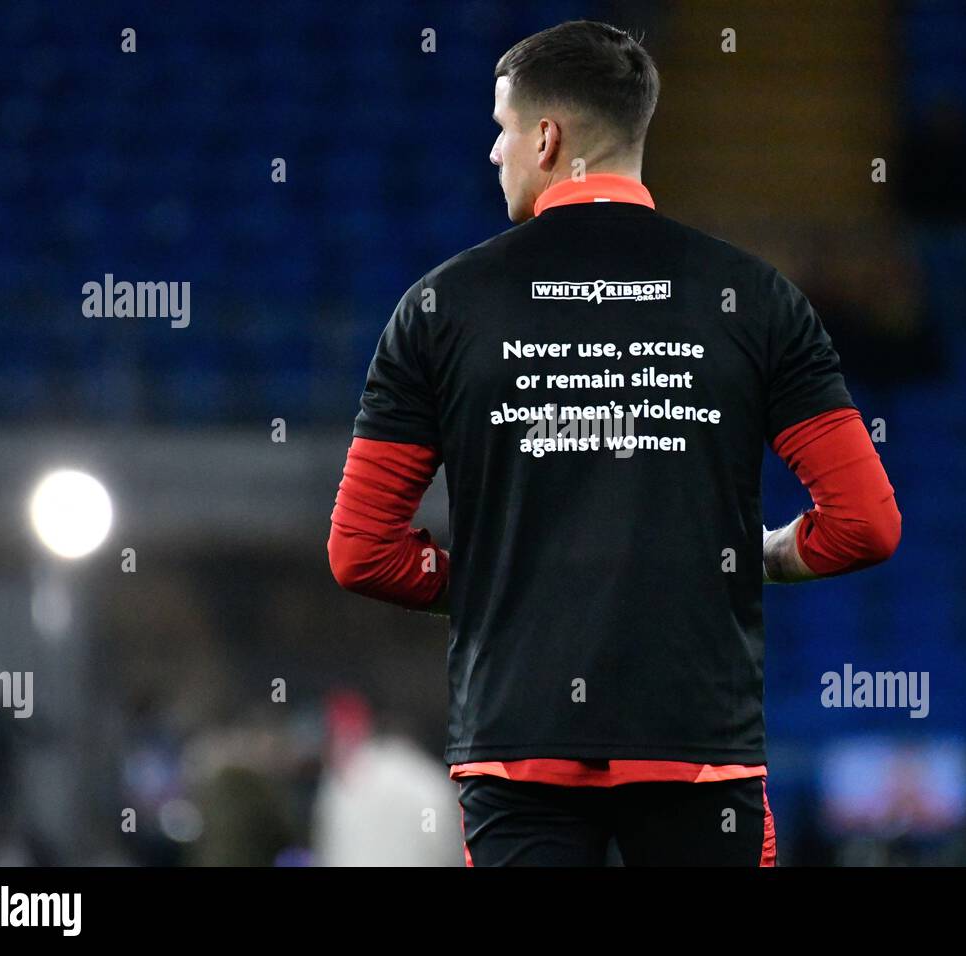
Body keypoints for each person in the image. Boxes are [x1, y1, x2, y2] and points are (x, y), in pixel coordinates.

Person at [328, 20, 901, 866]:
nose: (494, 153)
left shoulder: (439, 308)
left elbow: (361, 552)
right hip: (700, 744)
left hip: (517, 749)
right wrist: (766, 555)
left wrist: (495, 590)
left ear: (547, 138)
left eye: (501, 129)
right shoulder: (754, 299)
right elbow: (865, 523)